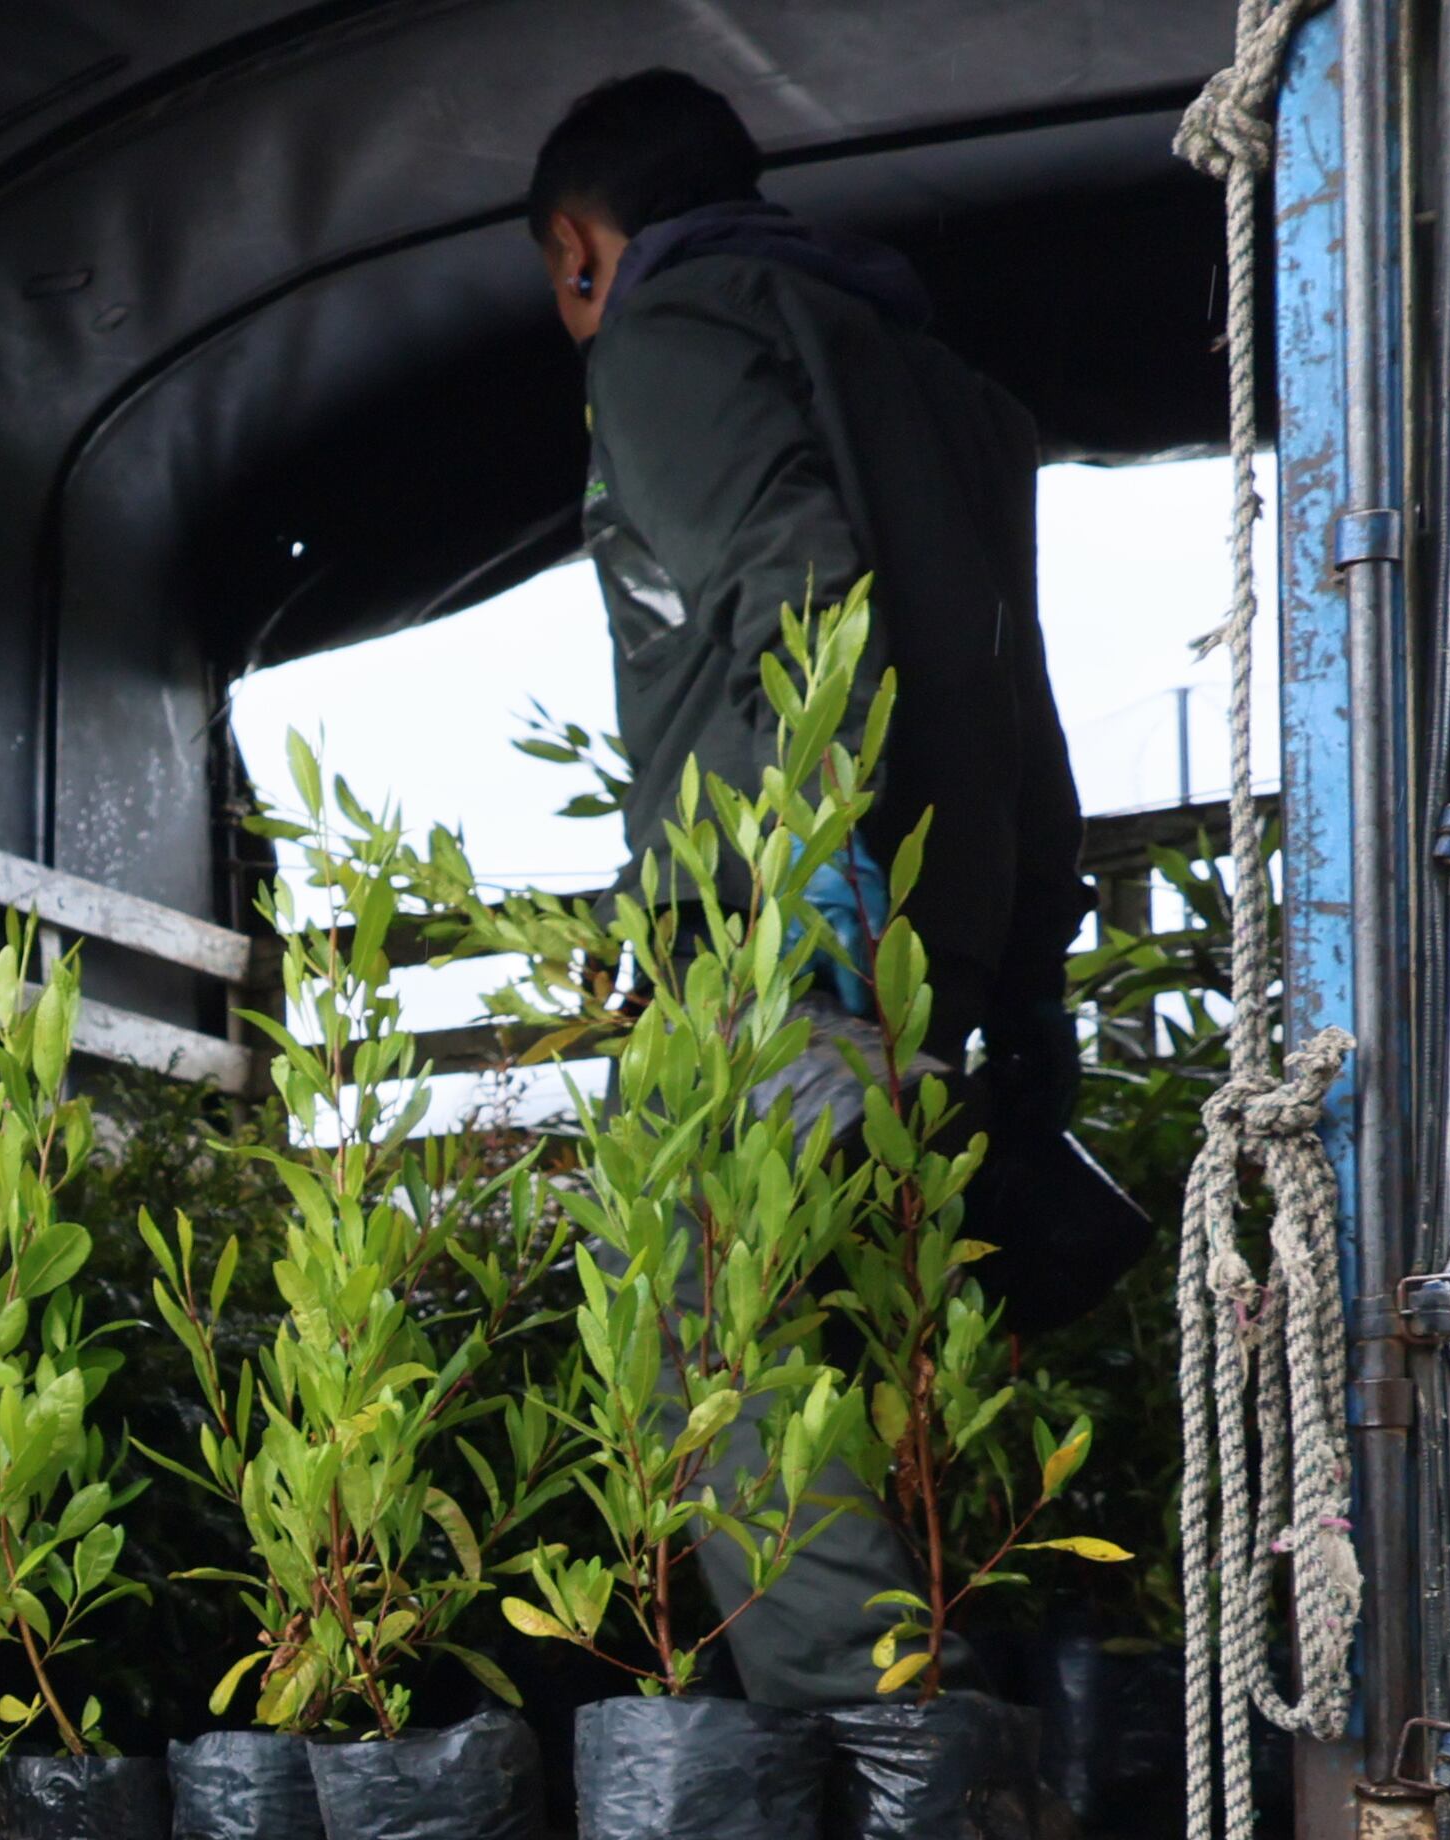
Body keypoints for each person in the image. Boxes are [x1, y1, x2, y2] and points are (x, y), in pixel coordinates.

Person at [531, 69, 1119, 1705]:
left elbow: (796, 583)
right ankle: (927, 1800)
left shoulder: (666, 338)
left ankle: (899, 1759)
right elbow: (1019, 694)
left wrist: (779, 887)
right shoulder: (926, 381)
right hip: (933, 953)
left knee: (691, 1357)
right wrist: (1020, 1007)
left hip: (794, 935)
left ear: (583, 252)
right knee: (849, 1367)